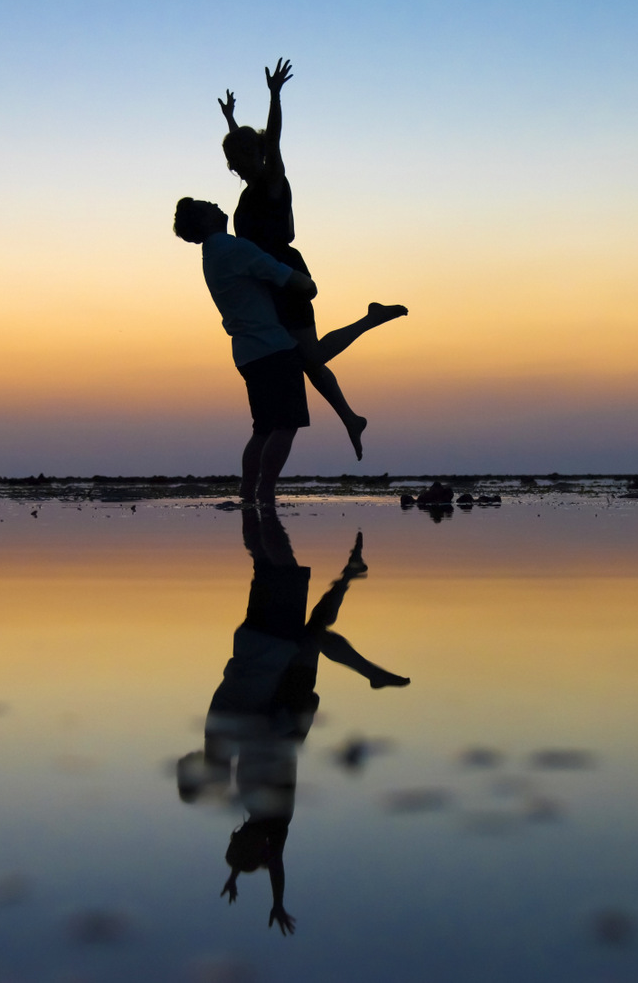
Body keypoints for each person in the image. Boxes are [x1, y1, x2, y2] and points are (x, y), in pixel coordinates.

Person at [176, 509, 410, 935]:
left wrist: (233, 876)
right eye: (235, 844)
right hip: (290, 709)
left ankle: (348, 577)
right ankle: (370, 668)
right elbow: (275, 863)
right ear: (253, 846)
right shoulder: (276, 822)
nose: (230, 837)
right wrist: (278, 900)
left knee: (315, 629)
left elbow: (257, 857)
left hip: (277, 701)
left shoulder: (252, 811)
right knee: (315, 636)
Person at [219, 58, 408, 460]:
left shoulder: (272, 183)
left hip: (286, 275)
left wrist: (274, 96)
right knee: (303, 360)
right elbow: (246, 149)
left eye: (242, 156)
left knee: (312, 356)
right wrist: (232, 121)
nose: (235, 164)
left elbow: (272, 143)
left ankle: (370, 319)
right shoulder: (250, 188)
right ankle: (351, 418)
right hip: (268, 280)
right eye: (233, 160)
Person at [174, 197, 313, 504]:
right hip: (272, 348)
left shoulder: (213, 255)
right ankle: (264, 493)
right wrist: (308, 285)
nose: (214, 203)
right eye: (206, 205)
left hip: (247, 353)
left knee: (263, 428)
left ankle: (247, 493)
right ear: (205, 220)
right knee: (286, 424)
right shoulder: (234, 249)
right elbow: (289, 278)